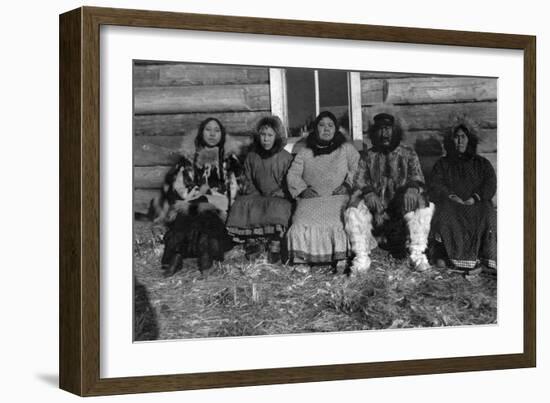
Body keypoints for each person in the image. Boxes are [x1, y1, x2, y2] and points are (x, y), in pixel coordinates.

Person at [344, 112, 434, 274]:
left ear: (395, 131)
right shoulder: (367, 156)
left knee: (423, 202)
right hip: (376, 214)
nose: (384, 133)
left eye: (388, 129)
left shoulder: (408, 153)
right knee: (353, 207)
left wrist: (412, 188)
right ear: (374, 133)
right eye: (380, 129)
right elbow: (359, 182)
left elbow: (418, 177)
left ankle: (417, 254)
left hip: (401, 212)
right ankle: (362, 257)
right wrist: (369, 192)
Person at [158, 117, 243, 276]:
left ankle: (195, 256)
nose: (212, 134)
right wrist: (195, 196)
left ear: (222, 135)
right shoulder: (190, 158)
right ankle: (180, 258)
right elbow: (179, 184)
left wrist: (211, 197)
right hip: (192, 204)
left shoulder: (229, 160)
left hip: (217, 207)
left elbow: (234, 187)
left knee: (204, 214)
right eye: (208, 130)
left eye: (216, 131)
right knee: (190, 215)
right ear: (201, 133)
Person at [286, 111, 360, 267]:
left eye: (330, 125)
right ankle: (301, 259)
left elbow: (358, 168)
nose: (326, 129)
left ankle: (341, 257)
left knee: (341, 220)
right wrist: (301, 190)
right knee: (299, 221)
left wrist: (347, 185)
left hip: (339, 196)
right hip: (312, 198)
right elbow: (293, 174)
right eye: (321, 125)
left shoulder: (346, 149)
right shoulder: (305, 151)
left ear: (336, 129)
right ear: (315, 129)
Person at [429, 118, 497, 273]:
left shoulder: (482, 163)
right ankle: (446, 256)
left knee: (487, 213)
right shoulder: (443, 164)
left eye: (463, 137)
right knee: (445, 213)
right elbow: (436, 184)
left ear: (470, 140)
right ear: (451, 140)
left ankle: (483, 257)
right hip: (452, 204)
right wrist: (451, 196)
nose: (459, 141)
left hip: (476, 203)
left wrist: (475, 198)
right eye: (456, 137)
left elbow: (490, 184)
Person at [226, 115, 294, 263]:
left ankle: (275, 244)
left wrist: (280, 192)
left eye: (270, 135)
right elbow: (248, 178)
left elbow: (290, 182)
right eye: (263, 135)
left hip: (279, 196)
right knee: (243, 204)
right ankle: (252, 242)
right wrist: (252, 192)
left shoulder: (285, 158)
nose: (266, 139)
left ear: (277, 137)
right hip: (259, 194)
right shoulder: (252, 156)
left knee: (278, 208)